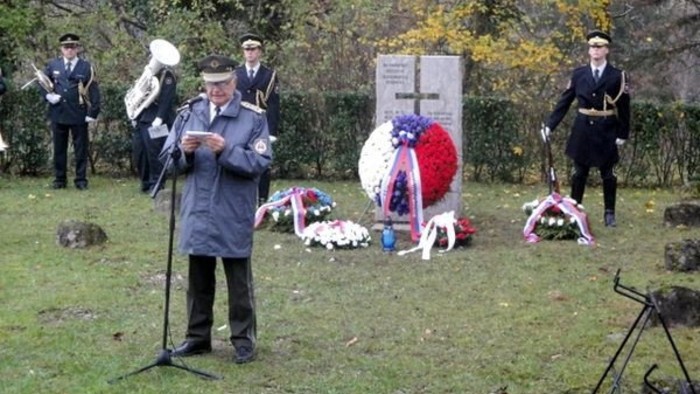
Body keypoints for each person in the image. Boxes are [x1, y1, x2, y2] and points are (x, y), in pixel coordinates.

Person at [162, 54, 272, 364]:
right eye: (210, 85)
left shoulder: (253, 118)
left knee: (238, 282)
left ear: (234, 82)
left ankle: (243, 341)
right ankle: (197, 338)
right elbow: (166, 162)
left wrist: (227, 151)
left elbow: (260, 163)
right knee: (198, 279)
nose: (216, 90)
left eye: (222, 84)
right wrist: (184, 154)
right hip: (198, 209)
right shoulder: (189, 113)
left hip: (232, 209)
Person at [542, 30, 630, 227]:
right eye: (592, 47)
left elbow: (624, 107)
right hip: (583, 129)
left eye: (599, 47)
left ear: (606, 50)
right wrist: (550, 125)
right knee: (579, 173)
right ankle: (575, 210)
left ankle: (609, 213)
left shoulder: (617, 76)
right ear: (589, 50)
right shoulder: (579, 74)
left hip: (607, 129)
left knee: (609, 174)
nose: (595, 50)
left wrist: (623, 133)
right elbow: (564, 102)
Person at [41, 33, 101, 190]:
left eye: (72, 47)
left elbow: (94, 90)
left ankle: (81, 180)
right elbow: (42, 82)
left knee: (80, 149)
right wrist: (48, 95)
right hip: (58, 112)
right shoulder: (53, 65)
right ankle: (59, 179)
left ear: (77, 49)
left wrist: (93, 112)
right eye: (66, 47)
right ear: (61, 49)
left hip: (78, 113)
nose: (69, 50)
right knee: (59, 149)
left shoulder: (86, 66)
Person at [235, 33, 279, 206]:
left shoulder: (269, 74)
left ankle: (262, 202)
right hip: (239, 124)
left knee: (262, 163)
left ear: (260, 51)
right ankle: (240, 201)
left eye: (253, 49)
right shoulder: (236, 73)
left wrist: (272, 131)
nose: (250, 53)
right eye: (247, 49)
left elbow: (274, 104)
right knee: (239, 160)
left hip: (261, 125)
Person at [131, 52, 177, 193]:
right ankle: (145, 182)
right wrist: (134, 114)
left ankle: (157, 183)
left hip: (157, 119)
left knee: (155, 153)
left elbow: (167, 99)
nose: (153, 61)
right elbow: (138, 95)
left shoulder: (167, 76)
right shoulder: (147, 75)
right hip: (142, 117)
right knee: (140, 153)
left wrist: (160, 118)